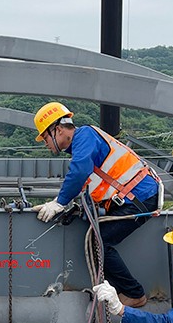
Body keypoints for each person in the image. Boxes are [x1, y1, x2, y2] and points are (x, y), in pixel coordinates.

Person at [32, 101, 161, 307]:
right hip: (135, 198)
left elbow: (80, 171)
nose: (45, 143)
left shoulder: (85, 136)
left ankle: (133, 293)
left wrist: (59, 202)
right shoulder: (82, 146)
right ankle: (118, 290)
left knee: (97, 241)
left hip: (139, 198)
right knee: (97, 238)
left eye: (45, 137)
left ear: (57, 129)